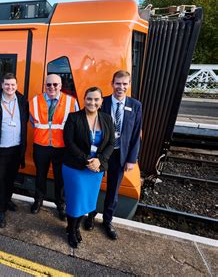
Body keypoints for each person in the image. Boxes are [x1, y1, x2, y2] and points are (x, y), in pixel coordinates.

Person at [84, 71, 142, 240]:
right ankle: (90, 216)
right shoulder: (103, 102)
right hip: (100, 154)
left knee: (113, 191)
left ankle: (107, 221)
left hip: (120, 155)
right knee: (94, 186)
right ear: (112, 84)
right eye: (118, 83)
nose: (121, 87)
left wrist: (132, 158)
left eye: (124, 84)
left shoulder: (136, 105)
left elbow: (135, 134)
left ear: (129, 85)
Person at [62, 87, 115, 248]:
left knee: (87, 201)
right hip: (75, 167)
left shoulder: (106, 119)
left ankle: (76, 227)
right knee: (75, 201)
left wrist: (99, 160)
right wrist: (87, 161)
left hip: (96, 170)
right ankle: (71, 230)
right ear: (84, 100)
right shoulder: (74, 118)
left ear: (101, 102)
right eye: (89, 99)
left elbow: (111, 143)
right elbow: (69, 143)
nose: (92, 102)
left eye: (96, 99)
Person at [29, 74, 78, 219]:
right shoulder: (34, 101)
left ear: (61, 86)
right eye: (49, 84)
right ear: (45, 85)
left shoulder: (71, 102)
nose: (52, 87)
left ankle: (61, 205)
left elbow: (74, 125)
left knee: (60, 178)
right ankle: (38, 200)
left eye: (55, 84)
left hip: (61, 147)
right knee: (40, 175)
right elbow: (33, 121)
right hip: (41, 145)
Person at [0, 73, 29, 228]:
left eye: (13, 85)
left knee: (10, 179)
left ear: (16, 85)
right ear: (2, 85)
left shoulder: (23, 101)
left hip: (16, 149)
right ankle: (0, 210)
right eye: (7, 85)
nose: (10, 87)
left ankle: (7, 200)